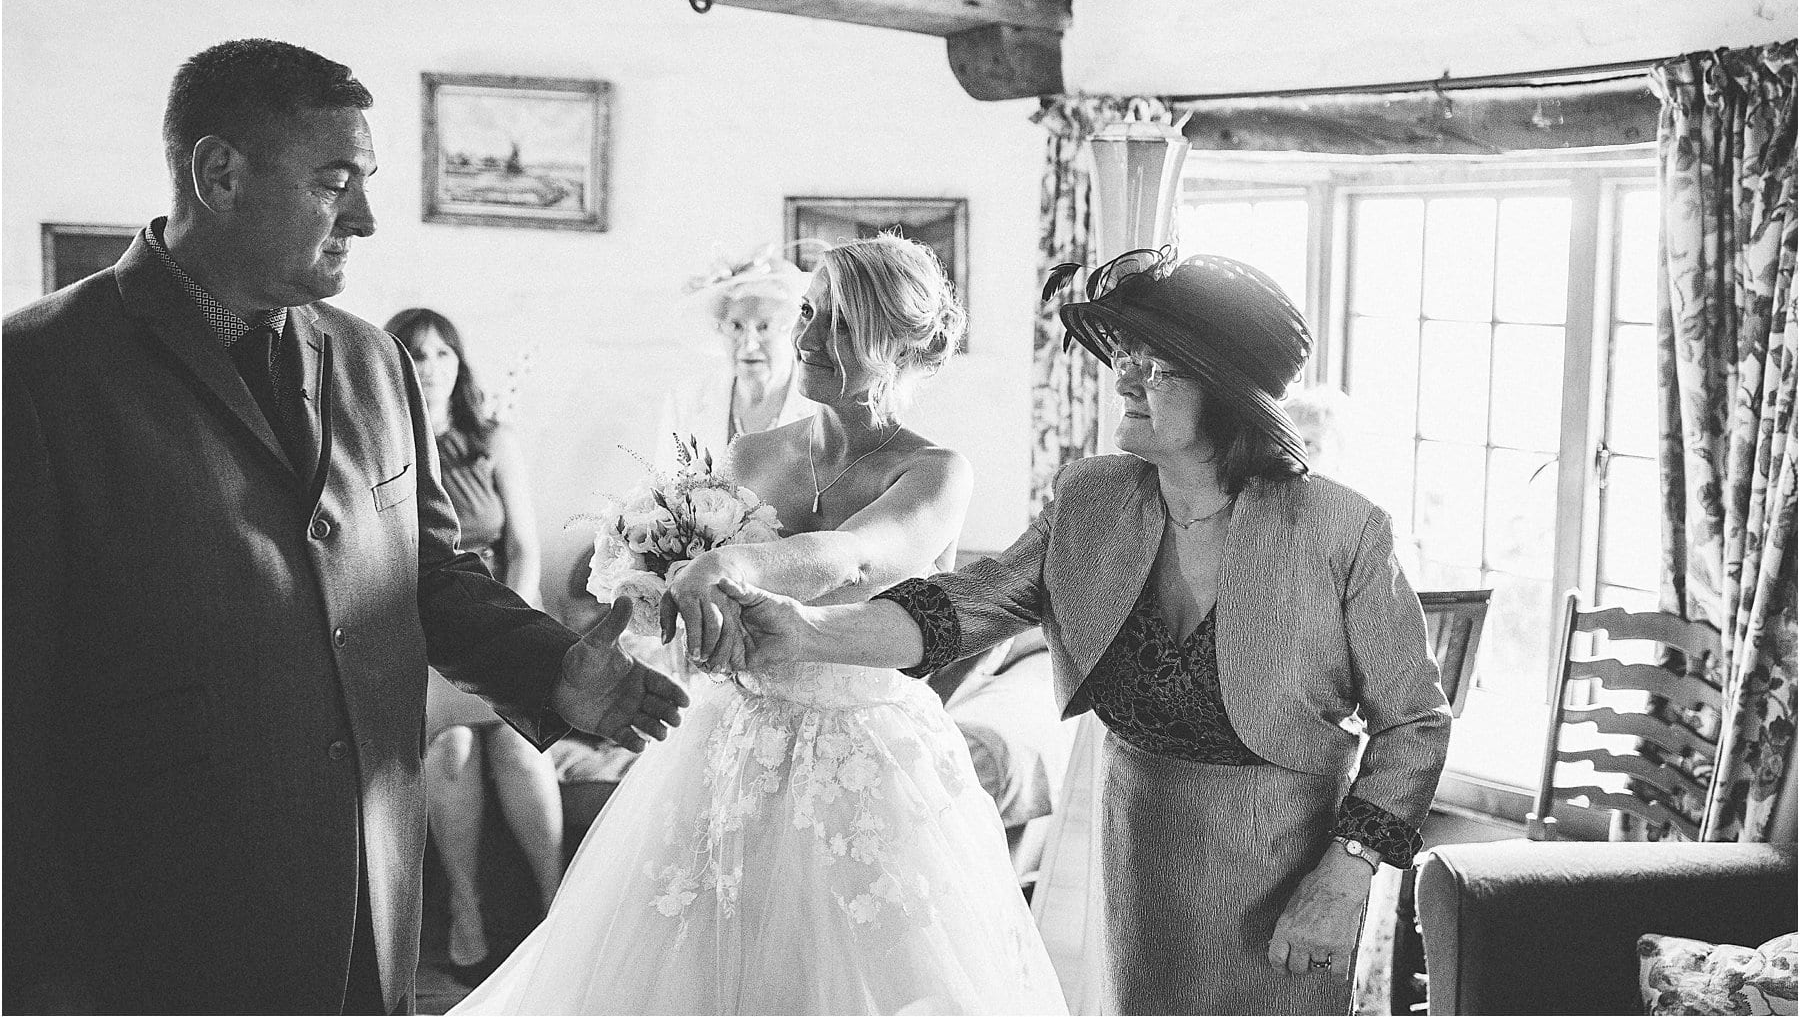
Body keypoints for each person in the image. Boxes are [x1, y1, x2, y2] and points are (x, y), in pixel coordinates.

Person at [3, 39, 687, 1015]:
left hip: (372, 912)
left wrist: (550, 668)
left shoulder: (374, 362)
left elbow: (421, 574)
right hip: (153, 937)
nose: (364, 217)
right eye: (335, 182)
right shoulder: (36, 375)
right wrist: (37, 975)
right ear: (219, 174)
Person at [714, 249, 1454, 1015]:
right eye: (1124, 358)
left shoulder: (1342, 529)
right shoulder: (1091, 497)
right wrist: (802, 631)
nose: (1125, 378)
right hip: (1139, 881)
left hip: (1288, 893)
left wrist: (1345, 873)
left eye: (1157, 366)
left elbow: (1416, 722)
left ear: (1229, 394)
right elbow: (959, 607)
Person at [453, 235, 1068, 1015]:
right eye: (809, 312)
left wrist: (737, 568)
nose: (806, 338)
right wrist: (660, 601)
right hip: (728, 740)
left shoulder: (937, 470)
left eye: (840, 324)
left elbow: (855, 557)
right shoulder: (750, 454)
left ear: (897, 343)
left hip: (864, 752)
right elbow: (699, 614)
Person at [383, 308, 563, 980]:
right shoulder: (378, 443)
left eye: (442, 354)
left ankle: (557, 909)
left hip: (502, 619)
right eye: (414, 353)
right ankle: (467, 912)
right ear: (392, 364)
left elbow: (522, 547)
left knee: (520, 738)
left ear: (459, 365)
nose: (429, 367)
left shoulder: (493, 440)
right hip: (420, 634)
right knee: (451, 747)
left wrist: (510, 630)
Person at [656, 243, 819, 467]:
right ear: (719, 327)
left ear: (793, 329)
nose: (749, 345)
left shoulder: (820, 404)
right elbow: (667, 489)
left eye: (764, 327)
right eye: (736, 326)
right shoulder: (685, 401)